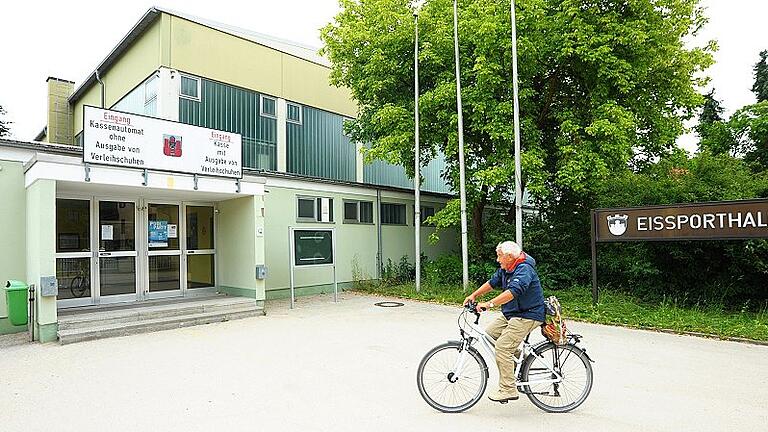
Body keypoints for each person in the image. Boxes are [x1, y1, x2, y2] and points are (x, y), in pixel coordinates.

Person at [463, 240, 545, 403]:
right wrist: (474, 295)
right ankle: (521, 365)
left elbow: (512, 292)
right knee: (489, 336)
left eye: (499, 256)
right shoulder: (507, 268)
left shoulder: (524, 269)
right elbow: (492, 283)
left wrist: (489, 304)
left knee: (503, 347)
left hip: (528, 315)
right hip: (512, 313)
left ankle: (508, 389)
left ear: (509, 256)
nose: (497, 259)